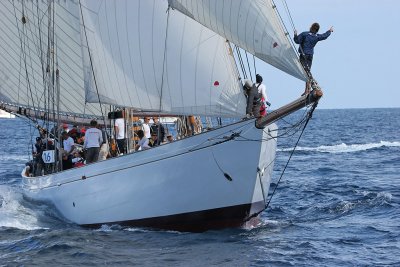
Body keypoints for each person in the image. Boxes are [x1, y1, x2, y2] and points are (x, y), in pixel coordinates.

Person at [294, 23, 334, 95]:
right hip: (310, 55)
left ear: (311, 27)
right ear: (317, 30)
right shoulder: (317, 36)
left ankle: (308, 89)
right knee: (307, 71)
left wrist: (295, 34)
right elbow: (324, 36)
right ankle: (307, 89)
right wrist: (329, 31)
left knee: (306, 71)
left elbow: (296, 41)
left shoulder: (305, 34)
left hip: (304, 55)